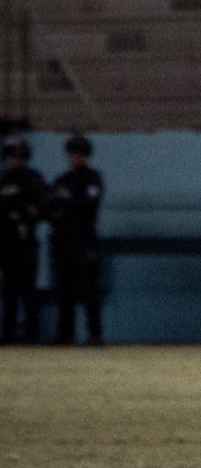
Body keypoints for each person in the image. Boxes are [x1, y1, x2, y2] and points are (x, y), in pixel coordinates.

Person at [48, 135, 104, 345]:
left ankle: (95, 334)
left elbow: (86, 205)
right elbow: (49, 207)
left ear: (86, 156)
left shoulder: (93, 178)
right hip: (64, 242)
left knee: (90, 290)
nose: (74, 157)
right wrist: (66, 206)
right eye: (72, 153)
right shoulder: (63, 180)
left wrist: (65, 205)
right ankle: (66, 335)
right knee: (65, 291)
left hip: (85, 241)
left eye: (78, 154)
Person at [1, 135, 48, 344]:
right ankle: (9, 334)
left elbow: (41, 209)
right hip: (5, 244)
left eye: (17, 156)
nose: (13, 160)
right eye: (10, 156)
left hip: (26, 242)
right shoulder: (3, 180)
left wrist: (21, 212)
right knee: (8, 293)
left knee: (28, 291)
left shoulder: (33, 179)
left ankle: (32, 334)